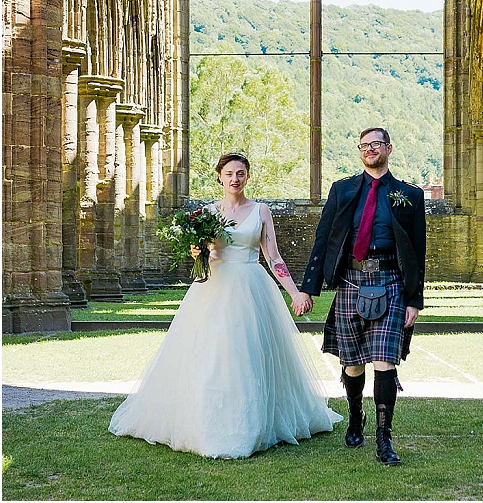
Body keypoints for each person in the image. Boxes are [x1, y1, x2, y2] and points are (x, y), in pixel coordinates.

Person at [109, 152, 340, 458]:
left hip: (251, 287)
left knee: (249, 352)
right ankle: (205, 422)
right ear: (219, 176)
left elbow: (273, 257)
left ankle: (256, 422)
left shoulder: (261, 212)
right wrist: (200, 253)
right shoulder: (206, 213)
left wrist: (295, 293)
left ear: (247, 176)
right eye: (229, 173)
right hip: (213, 289)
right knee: (210, 354)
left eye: (241, 173)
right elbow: (199, 252)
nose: (235, 179)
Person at [299, 126, 427, 466]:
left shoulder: (409, 195)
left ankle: (384, 439)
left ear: (389, 147)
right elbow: (323, 239)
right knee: (352, 363)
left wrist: (415, 299)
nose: (370, 149)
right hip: (351, 280)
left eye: (376, 144)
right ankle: (356, 417)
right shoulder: (342, 190)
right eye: (364, 145)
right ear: (360, 151)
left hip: (391, 281)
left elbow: (418, 251)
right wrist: (309, 289)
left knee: (385, 361)